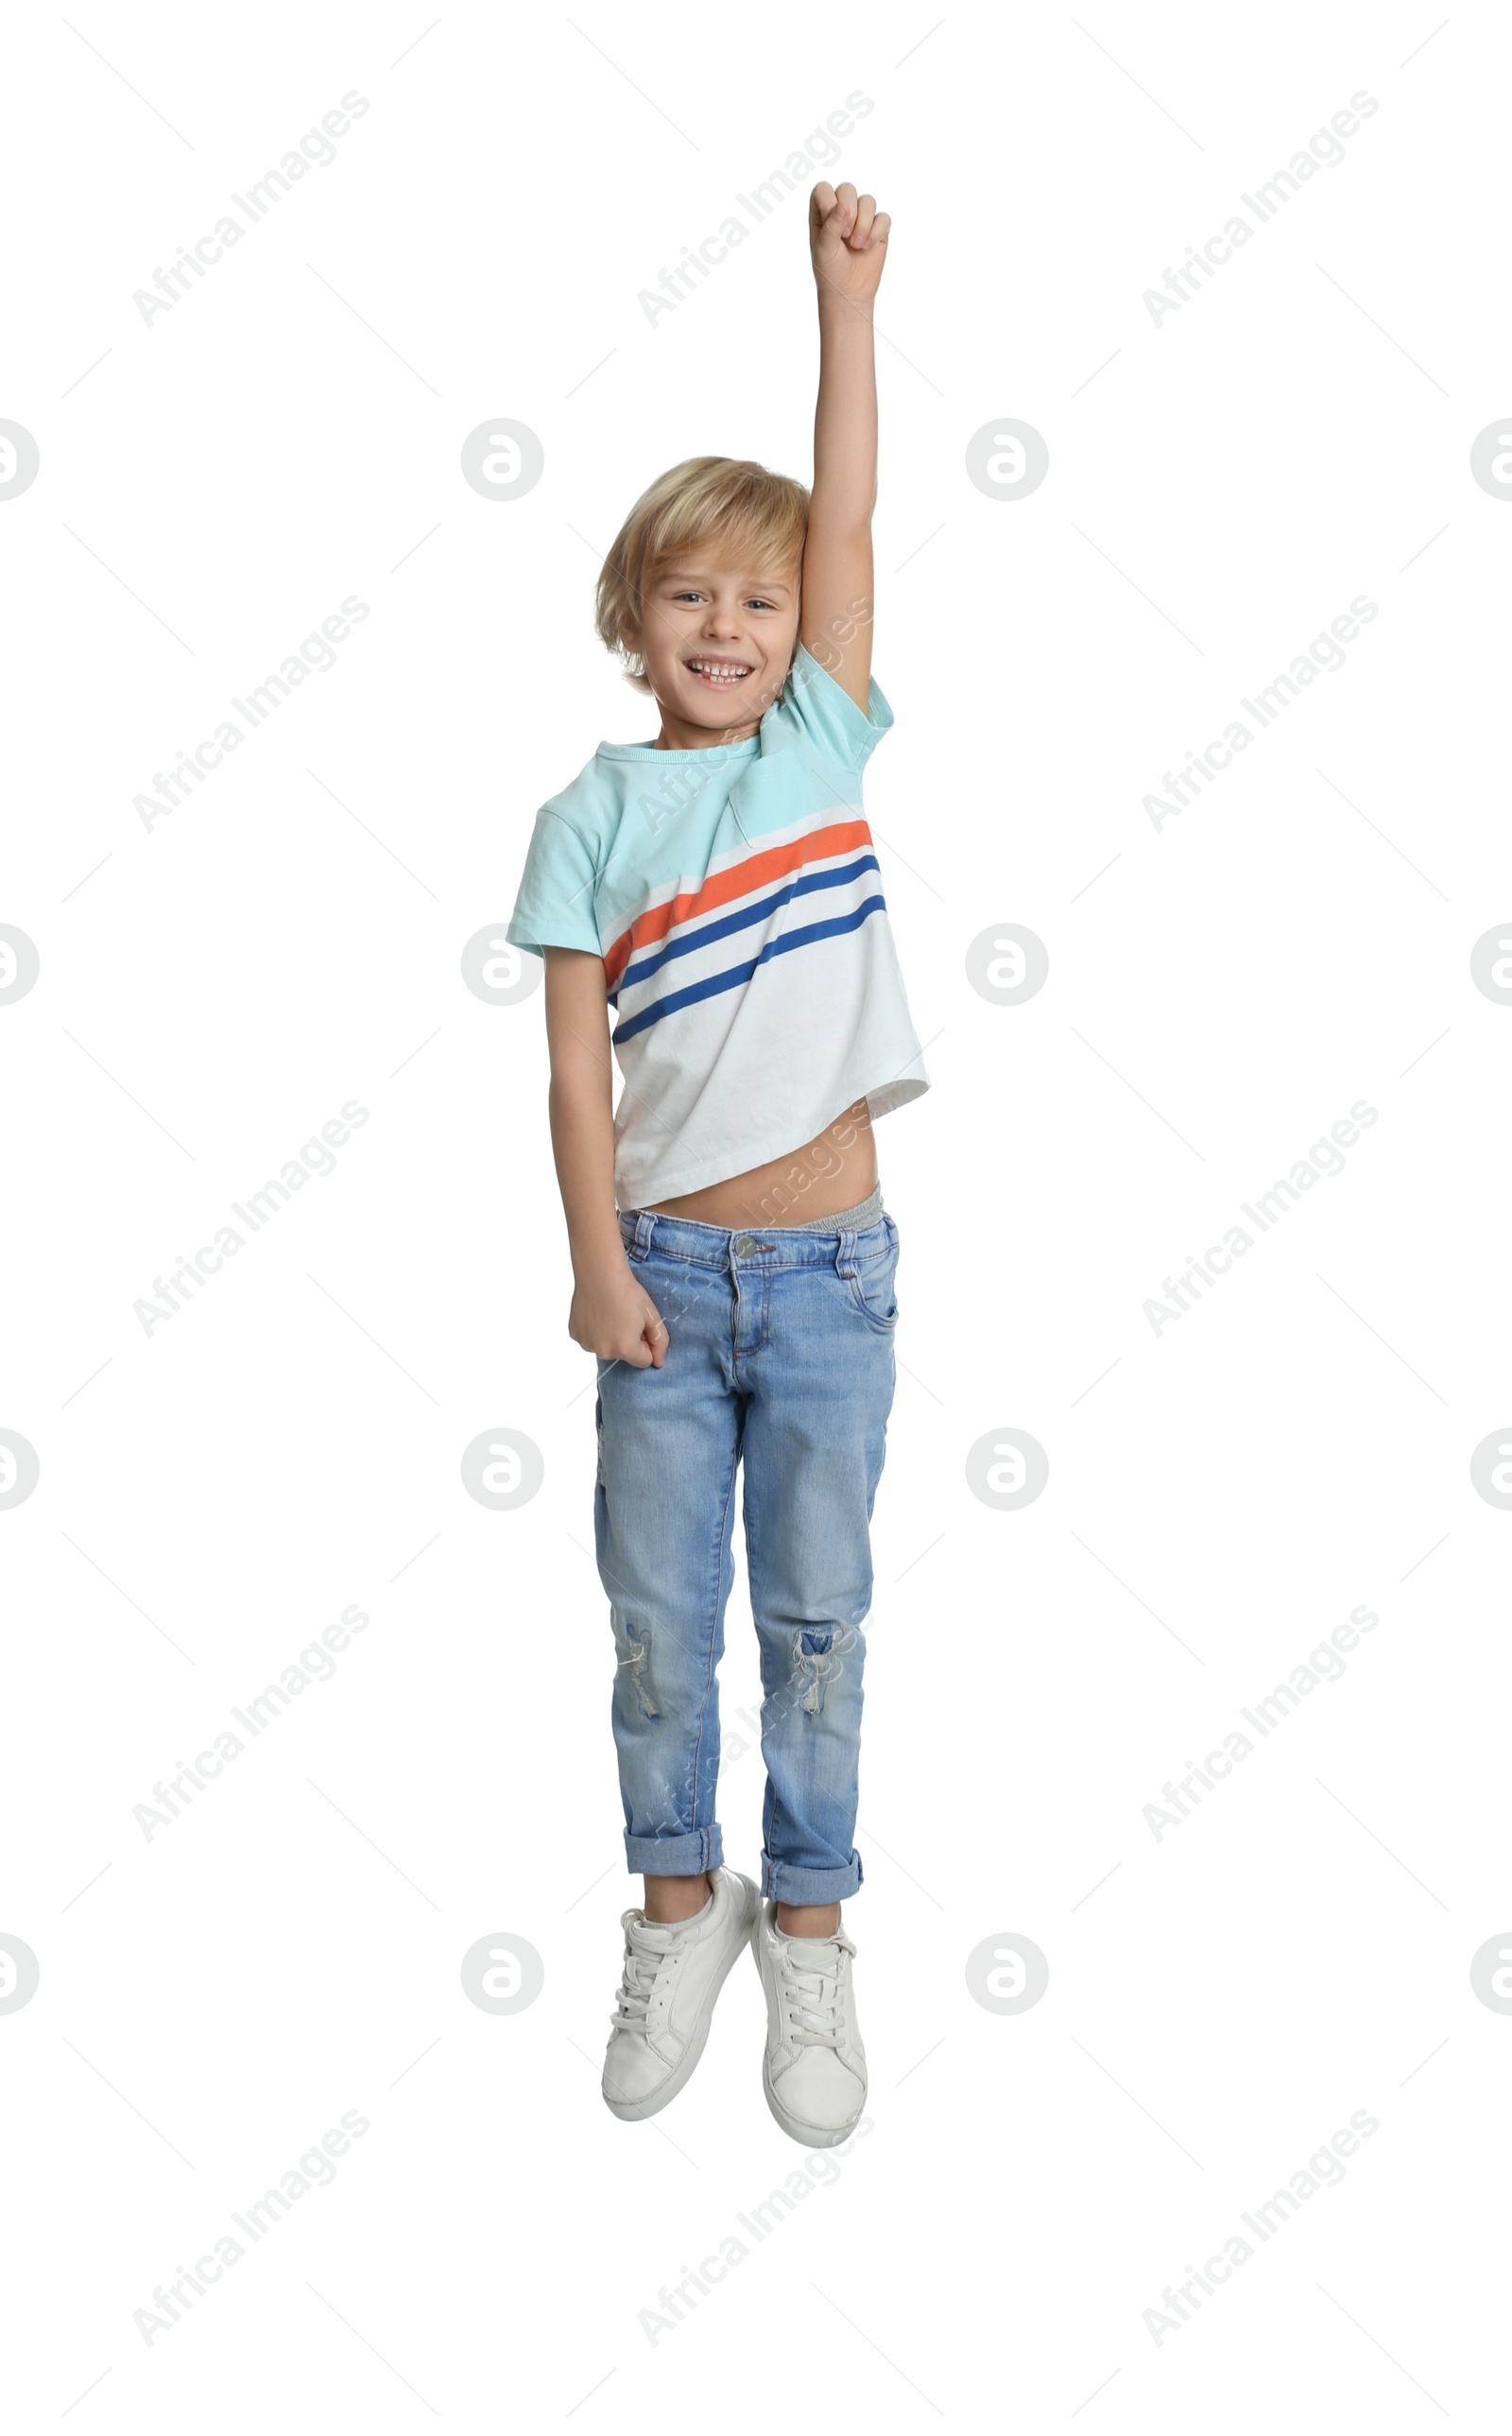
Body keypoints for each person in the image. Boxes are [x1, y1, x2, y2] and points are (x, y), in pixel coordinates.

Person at [506, 181, 928, 2147]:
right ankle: (682, 1902)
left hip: (828, 1276)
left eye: (756, 600)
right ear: (627, 620)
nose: (730, 624)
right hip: (662, 1281)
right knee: (658, 1619)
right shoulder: (592, 811)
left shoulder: (818, 747)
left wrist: (842, 309)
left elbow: (841, 512)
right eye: (688, 595)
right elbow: (577, 1076)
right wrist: (600, 1269)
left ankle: (816, 1926)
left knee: (817, 1616)